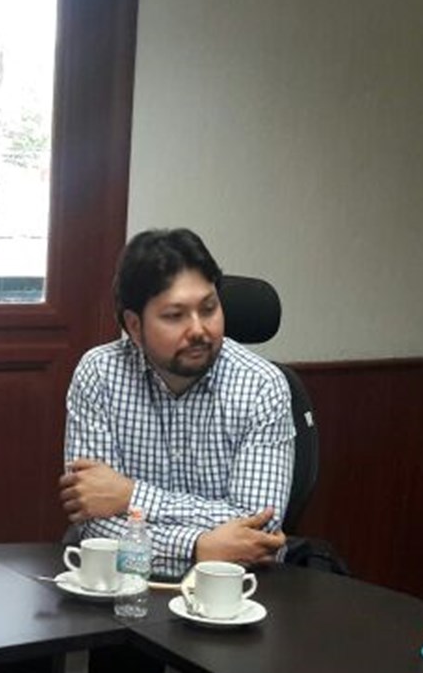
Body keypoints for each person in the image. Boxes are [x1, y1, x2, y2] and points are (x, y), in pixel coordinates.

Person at [59, 227, 294, 575]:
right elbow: (95, 527)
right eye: (175, 315)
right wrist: (198, 548)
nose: (199, 329)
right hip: (123, 587)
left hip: (236, 589)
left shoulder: (262, 385)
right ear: (134, 326)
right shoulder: (99, 374)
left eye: (209, 308)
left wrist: (130, 496)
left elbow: (258, 529)